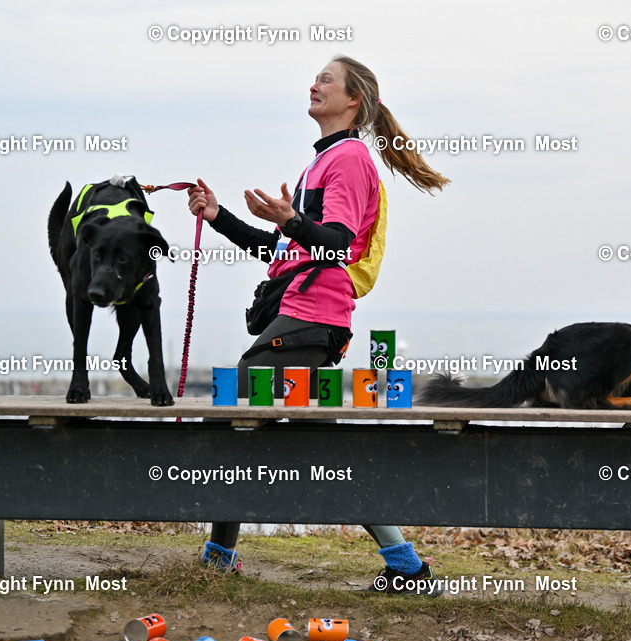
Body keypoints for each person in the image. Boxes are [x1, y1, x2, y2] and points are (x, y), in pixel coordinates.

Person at [187, 56, 450, 593]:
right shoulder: (322, 161)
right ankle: (406, 565)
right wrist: (219, 217)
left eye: (326, 79)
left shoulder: (349, 159)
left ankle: (219, 555)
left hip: (314, 318)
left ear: (353, 100)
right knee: (325, 451)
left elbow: (336, 240)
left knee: (236, 397)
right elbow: (282, 250)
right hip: (303, 314)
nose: (314, 84)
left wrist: (291, 219)